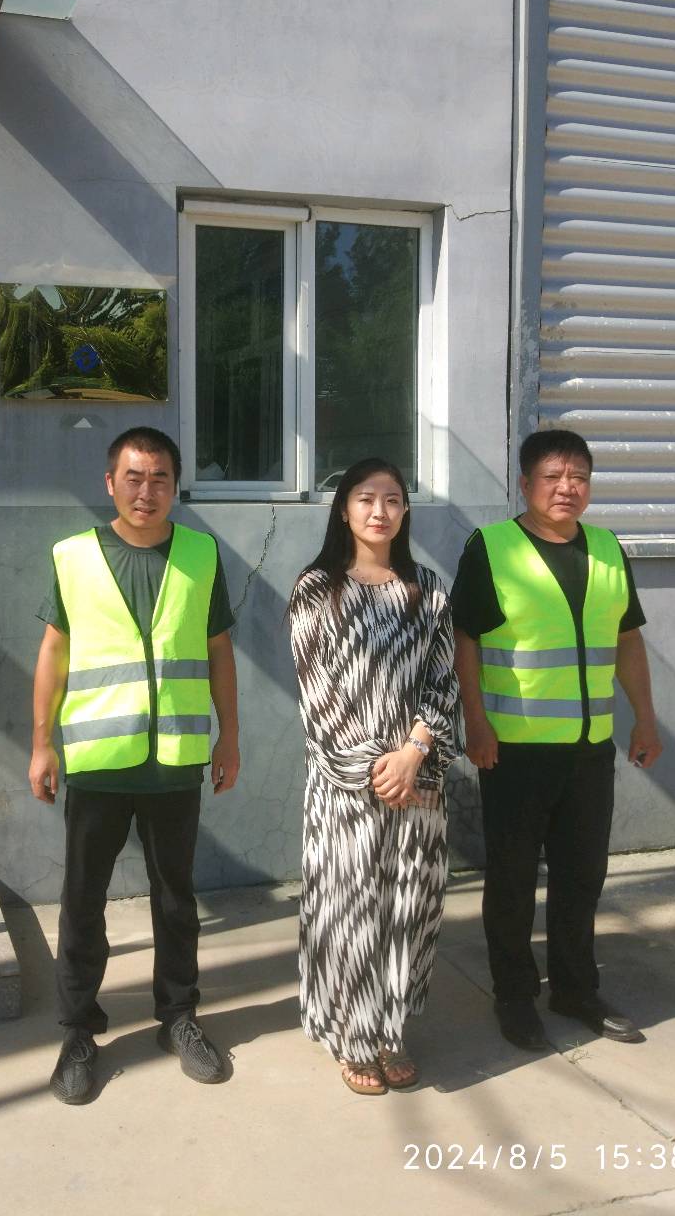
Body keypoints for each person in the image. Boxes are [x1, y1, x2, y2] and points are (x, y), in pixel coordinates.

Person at [29, 426, 241, 1104]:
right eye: (133, 477)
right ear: (110, 483)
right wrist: (42, 744)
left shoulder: (201, 554)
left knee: (176, 898)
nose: (146, 491)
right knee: (82, 901)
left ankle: (178, 1017)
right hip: (99, 762)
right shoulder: (74, 557)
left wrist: (229, 737)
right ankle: (77, 1032)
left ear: (176, 486)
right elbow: (54, 653)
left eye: (159, 478)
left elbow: (219, 651)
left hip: (174, 761)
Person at [451, 428, 661, 1051]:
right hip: (514, 749)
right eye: (553, 477)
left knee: (581, 875)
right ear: (525, 484)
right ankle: (515, 996)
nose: (567, 488)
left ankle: (575, 989)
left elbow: (627, 639)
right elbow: (466, 641)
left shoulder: (607, 549)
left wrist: (645, 717)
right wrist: (475, 723)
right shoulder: (492, 547)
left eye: (579, 478)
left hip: (590, 749)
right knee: (512, 879)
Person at [288, 457, 461, 1095]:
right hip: (346, 791)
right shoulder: (317, 589)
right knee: (350, 908)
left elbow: (445, 682)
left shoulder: (429, 590)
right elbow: (317, 694)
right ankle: (352, 1037)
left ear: (405, 511)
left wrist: (413, 754)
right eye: (366, 498)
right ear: (344, 510)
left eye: (391, 499)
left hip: (417, 783)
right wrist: (374, 768)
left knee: (408, 909)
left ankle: (390, 1033)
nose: (379, 511)